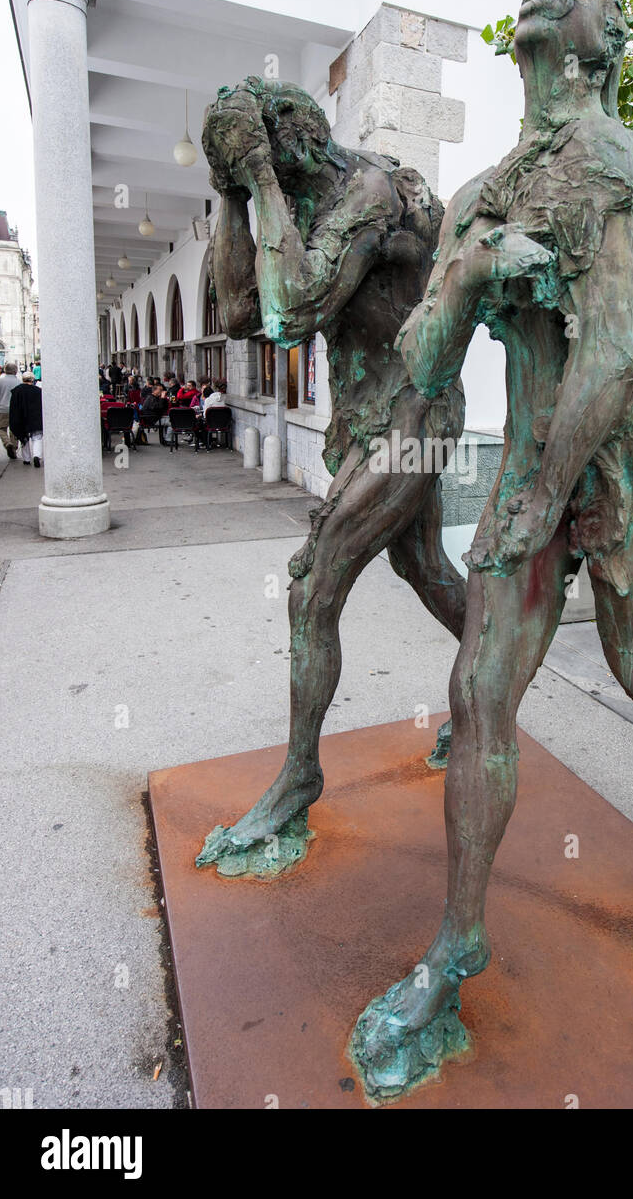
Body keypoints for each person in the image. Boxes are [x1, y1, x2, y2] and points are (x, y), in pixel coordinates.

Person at [349, 0, 633, 1096]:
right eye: (525, 15)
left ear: (585, 48)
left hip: (627, 450)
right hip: (528, 454)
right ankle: (460, 936)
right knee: (477, 693)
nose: (533, 21)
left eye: (555, 15)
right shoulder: (484, 188)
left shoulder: (615, 167)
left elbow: (610, 357)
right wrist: (463, 273)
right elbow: (421, 357)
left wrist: (542, 495)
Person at [196, 78, 466, 878]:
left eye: (259, 163)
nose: (255, 178)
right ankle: (493, 682)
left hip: (414, 419)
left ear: (295, 143)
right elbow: (240, 314)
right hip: (364, 418)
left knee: (313, 584)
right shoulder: (300, 201)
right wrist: (233, 200)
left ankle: (298, 776)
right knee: (423, 569)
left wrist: (263, 185)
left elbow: (293, 310)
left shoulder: (370, 194)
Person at [8, 371, 43, 466]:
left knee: (24, 439)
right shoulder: (38, 391)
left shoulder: (16, 391)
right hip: (35, 418)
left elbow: (13, 407)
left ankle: (26, 459)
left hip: (21, 418)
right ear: (32, 379)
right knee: (37, 437)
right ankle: (37, 455)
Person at [0, 361, 21, 459]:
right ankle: (14, 448)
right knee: (14, 430)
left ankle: (7, 443)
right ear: (15, 371)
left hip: (2, 409)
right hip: (15, 409)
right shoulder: (18, 381)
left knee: (0, 428)